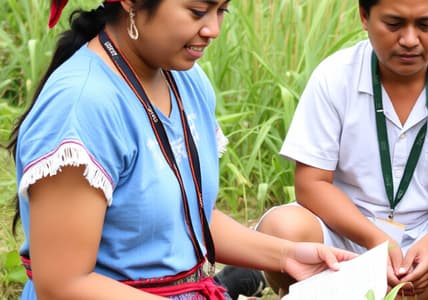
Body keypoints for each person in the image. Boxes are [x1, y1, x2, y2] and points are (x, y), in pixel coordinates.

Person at [7, 0, 356, 299]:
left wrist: (287, 255)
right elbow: (64, 284)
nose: (213, 29)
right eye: (197, 11)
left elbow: (185, 220)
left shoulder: (186, 80)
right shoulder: (82, 106)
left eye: (222, 11)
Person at [216, 0, 428, 298]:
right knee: (282, 227)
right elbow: (311, 184)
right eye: (393, 24)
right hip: (346, 238)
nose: (410, 40)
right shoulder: (335, 76)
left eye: (426, 25)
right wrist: (375, 240)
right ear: (365, 16)